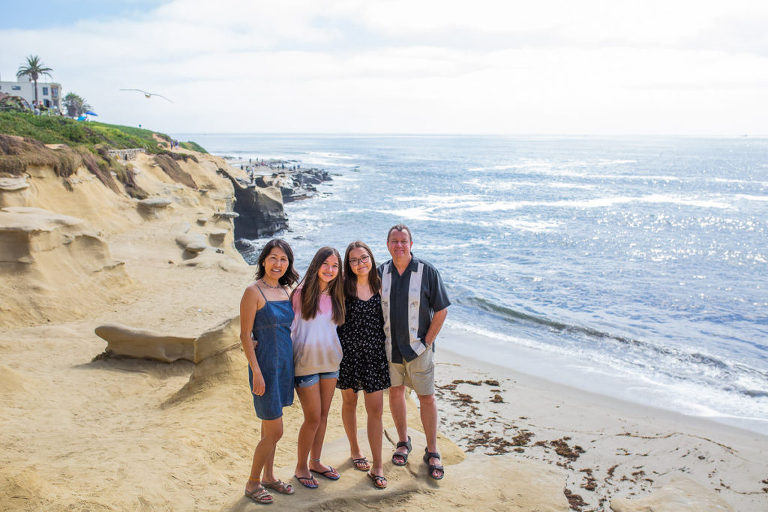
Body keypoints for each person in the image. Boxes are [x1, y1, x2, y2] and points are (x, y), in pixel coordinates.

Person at [379, 224, 450, 480]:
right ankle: (402, 441)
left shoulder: (427, 272)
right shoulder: (381, 272)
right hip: (390, 351)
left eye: (403, 241)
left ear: (411, 244)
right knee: (396, 394)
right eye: (394, 241)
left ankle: (432, 450)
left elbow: (441, 310)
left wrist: (427, 342)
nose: (399, 245)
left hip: (419, 350)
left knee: (426, 398)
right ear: (388, 244)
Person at [239, 239, 300, 504]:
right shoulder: (253, 292)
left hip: (284, 366)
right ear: (263, 260)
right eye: (273, 258)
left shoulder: (288, 291)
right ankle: (252, 483)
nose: (278, 264)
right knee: (276, 431)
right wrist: (257, 371)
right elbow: (244, 335)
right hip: (264, 366)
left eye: (283, 259)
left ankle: (269, 477)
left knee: (269, 429)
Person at [337, 241, 391, 489]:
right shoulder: (342, 287)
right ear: (348, 264)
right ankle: (355, 450)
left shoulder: (382, 285)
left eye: (364, 257)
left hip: (374, 357)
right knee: (349, 402)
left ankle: (378, 465)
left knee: (375, 410)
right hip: (347, 355)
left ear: (371, 257)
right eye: (354, 260)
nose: (360, 263)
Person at [291, 247, 346, 489]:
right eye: (326, 264)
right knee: (312, 417)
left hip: (330, 362)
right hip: (305, 363)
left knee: (323, 416)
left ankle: (315, 461)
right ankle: (301, 467)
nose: (330, 270)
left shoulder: (338, 296)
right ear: (316, 265)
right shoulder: (300, 294)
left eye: (335, 266)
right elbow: (289, 329)